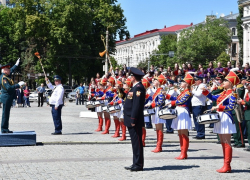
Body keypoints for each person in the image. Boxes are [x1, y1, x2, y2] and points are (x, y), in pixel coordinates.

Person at [202, 69, 239, 173]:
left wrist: (219, 108)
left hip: (226, 117)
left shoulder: (233, 94)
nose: (223, 82)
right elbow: (213, 97)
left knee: (226, 142)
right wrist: (205, 91)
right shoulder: (224, 92)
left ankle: (227, 165)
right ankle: (225, 164)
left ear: (230, 83)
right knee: (223, 142)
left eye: (226, 81)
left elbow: (231, 107)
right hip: (220, 117)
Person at [165, 73, 193, 160]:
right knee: (180, 133)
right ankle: (182, 152)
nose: (181, 83)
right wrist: (167, 95)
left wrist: (172, 102)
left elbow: (181, 101)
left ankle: (184, 153)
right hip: (179, 111)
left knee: (183, 133)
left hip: (183, 111)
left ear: (187, 84)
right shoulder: (183, 92)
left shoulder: (188, 92)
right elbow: (177, 99)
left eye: (183, 82)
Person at [124, 67, 145, 172]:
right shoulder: (134, 87)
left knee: (137, 143)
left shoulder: (139, 88)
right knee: (134, 143)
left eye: (130, 76)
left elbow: (137, 105)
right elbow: (130, 100)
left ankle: (138, 164)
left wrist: (133, 119)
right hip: (130, 119)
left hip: (134, 120)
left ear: (133, 77)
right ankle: (135, 162)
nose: (129, 77)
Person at [0, 59, 25, 133]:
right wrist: (18, 85)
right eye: (8, 69)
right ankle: (4, 129)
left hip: (8, 97)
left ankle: (5, 128)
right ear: (5, 70)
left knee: (7, 114)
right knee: (5, 114)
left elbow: (12, 69)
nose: (10, 70)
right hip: (6, 97)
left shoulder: (5, 75)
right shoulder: (4, 78)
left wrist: (16, 64)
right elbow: (8, 88)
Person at [146, 74, 166, 153]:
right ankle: (158, 145)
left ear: (159, 82)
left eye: (155, 80)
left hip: (159, 110)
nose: (153, 81)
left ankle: (159, 146)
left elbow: (160, 102)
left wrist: (151, 105)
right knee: (157, 128)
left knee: (159, 128)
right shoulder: (157, 90)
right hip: (155, 110)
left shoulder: (160, 90)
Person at [238, 76, 250, 152]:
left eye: (248, 84)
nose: (246, 86)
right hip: (247, 113)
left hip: (249, 113)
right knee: (248, 131)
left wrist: (243, 102)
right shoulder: (247, 92)